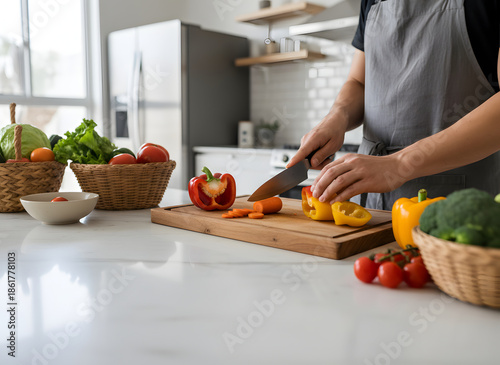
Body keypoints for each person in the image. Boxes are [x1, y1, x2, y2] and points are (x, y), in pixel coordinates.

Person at [286, 0, 500, 210]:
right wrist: (337, 117)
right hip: (372, 204)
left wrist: (399, 164)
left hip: (459, 207)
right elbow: (359, 82)